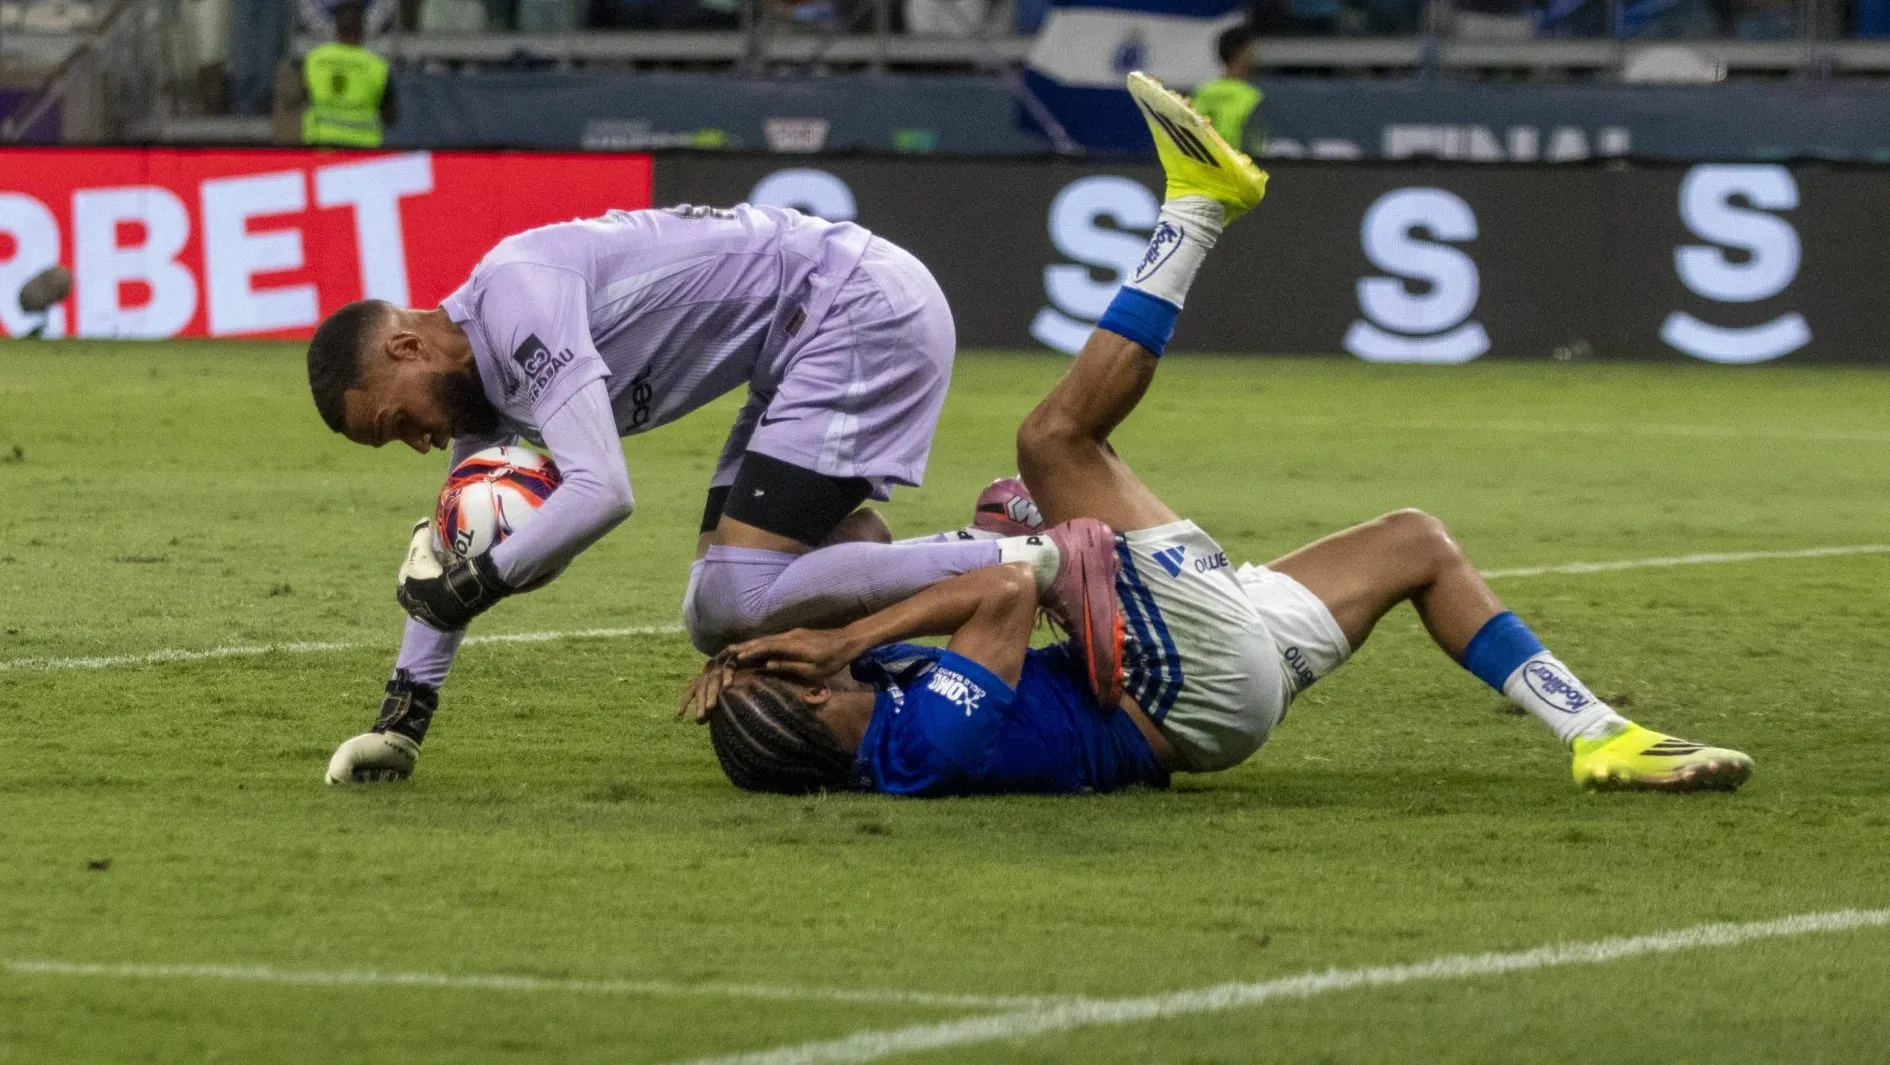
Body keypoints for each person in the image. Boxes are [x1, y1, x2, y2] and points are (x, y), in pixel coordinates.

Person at [687, 72, 1754, 799]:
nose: (791, 662)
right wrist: (847, 634)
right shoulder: (924, 745)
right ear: (815, 701)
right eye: (790, 678)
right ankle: (1197, 206)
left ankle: (1602, 737)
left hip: (1213, 682)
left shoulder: (877, 713)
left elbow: (868, 566)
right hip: (1177, 688)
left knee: (1414, 542)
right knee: (1053, 446)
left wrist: (751, 649)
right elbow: (1005, 591)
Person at [313, 204, 1122, 784]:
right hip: (800, 346)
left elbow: (600, 491)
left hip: (855, 311)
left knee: (737, 590)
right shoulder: (480, 393)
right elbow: (462, 559)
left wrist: (478, 582)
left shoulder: (520, 298)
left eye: (396, 421)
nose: (417, 443)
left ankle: (1036, 555)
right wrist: (402, 718)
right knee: (717, 611)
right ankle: (971, 538)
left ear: (409, 343)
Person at [296, 0, 396, 147]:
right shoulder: (377, 66)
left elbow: (301, 98)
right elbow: (390, 116)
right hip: (361, 152)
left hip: (320, 147)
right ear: (362, 26)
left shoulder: (314, 60)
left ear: (336, 26)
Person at [1190, 25, 1264, 154]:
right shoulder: (1252, 96)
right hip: (1241, 167)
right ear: (1242, 52)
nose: (1255, 55)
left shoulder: (1202, 91)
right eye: (1252, 50)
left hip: (1207, 165)